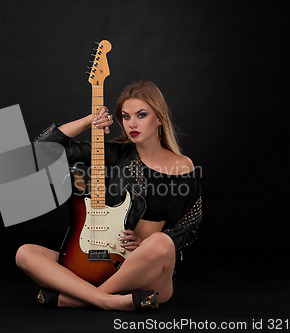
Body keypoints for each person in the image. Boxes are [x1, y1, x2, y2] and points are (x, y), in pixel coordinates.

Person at [15, 80, 202, 311]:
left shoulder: (183, 166)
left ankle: (81, 298)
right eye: (126, 116)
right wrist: (87, 121)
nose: (132, 123)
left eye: (141, 115)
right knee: (25, 254)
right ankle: (107, 300)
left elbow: (190, 226)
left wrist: (145, 245)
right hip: (99, 263)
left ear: (160, 118)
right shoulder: (113, 154)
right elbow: (40, 151)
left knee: (161, 242)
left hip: (147, 275)